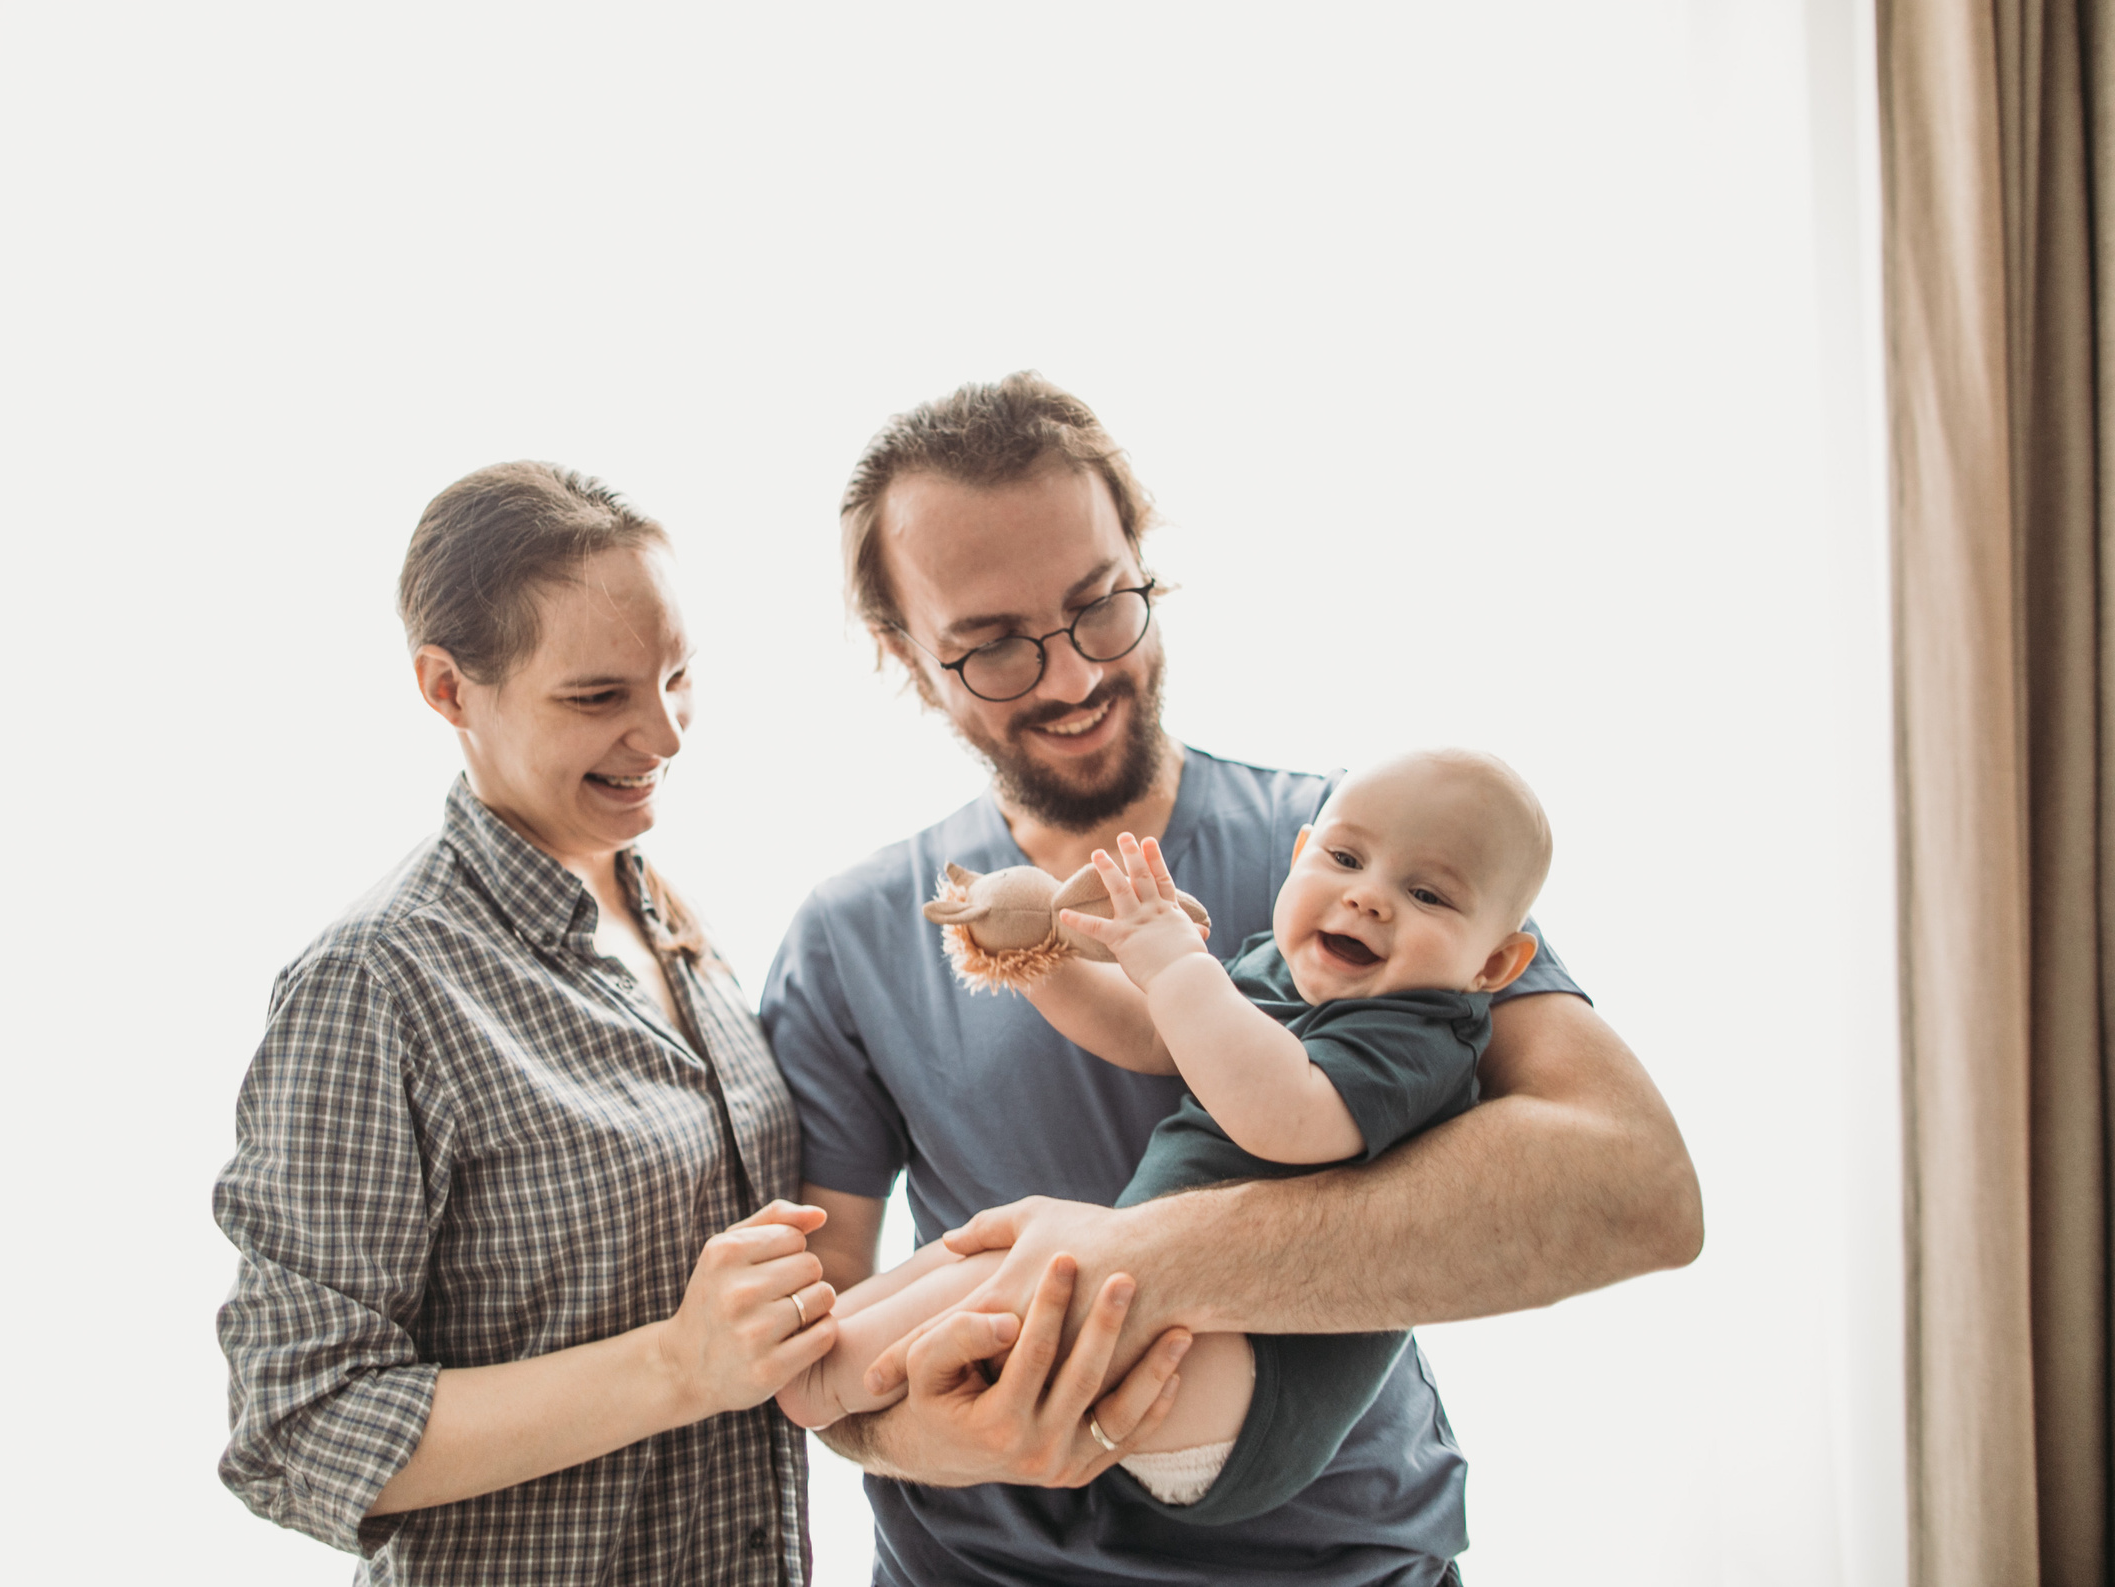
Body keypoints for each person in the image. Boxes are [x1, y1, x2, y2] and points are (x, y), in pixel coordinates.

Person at [758, 373, 1703, 1585]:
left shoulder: (1380, 864)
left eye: (1100, 607)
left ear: (1146, 566)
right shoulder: (851, 936)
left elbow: (1637, 1190)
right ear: (903, 653)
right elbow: (811, 1336)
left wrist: (1140, 1259)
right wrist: (910, 1436)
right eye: (991, 646)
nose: (1070, 678)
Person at [215, 462, 890, 1586]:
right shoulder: (378, 982)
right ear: (448, 689)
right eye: (597, 697)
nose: (665, 735)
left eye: (678, 676)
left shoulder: (659, 909)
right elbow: (296, 1426)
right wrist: (678, 1366)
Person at [775, 750, 1554, 1521]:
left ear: (1495, 962)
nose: (1367, 898)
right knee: (981, 1250)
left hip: (1248, 1382)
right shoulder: (1283, 967)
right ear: (1299, 857)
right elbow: (1154, 1033)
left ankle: (828, 1379)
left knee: (1037, 1267)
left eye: (1427, 893)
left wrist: (1179, 963)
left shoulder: (1423, 1037)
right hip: (1189, 1324)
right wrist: (1039, 961)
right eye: (1345, 858)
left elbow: (1283, 1113)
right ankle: (835, 1335)